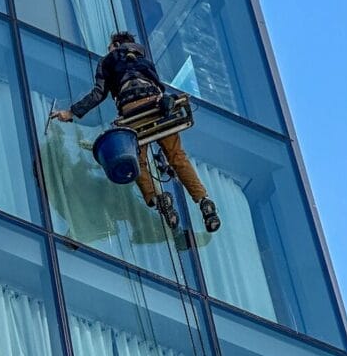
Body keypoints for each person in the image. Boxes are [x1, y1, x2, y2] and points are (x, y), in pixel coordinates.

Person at [51, 32, 221, 232]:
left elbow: (98, 93)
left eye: (109, 47)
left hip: (132, 111)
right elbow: (157, 86)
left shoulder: (108, 61)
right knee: (176, 156)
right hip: (156, 105)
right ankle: (203, 200)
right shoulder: (143, 59)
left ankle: (157, 199)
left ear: (115, 44)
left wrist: (71, 112)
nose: (109, 51)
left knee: (136, 160)